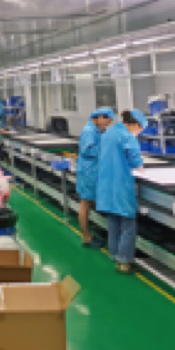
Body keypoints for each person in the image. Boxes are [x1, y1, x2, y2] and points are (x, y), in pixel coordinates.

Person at [96, 109, 146, 273]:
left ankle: (116, 256)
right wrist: (140, 166)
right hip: (121, 185)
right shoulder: (127, 136)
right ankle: (124, 261)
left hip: (106, 185)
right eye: (140, 129)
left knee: (113, 224)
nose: (139, 132)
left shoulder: (108, 133)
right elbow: (135, 160)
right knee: (127, 226)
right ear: (135, 124)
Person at [77, 107, 116, 249]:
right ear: (100, 117)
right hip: (88, 172)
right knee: (85, 203)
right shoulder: (89, 130)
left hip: (93, 171)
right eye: (107, 121)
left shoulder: (96, 130)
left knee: (89, 203)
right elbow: (87, 150)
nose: (107, 125)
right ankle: (86, 237)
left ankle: (89, 234)